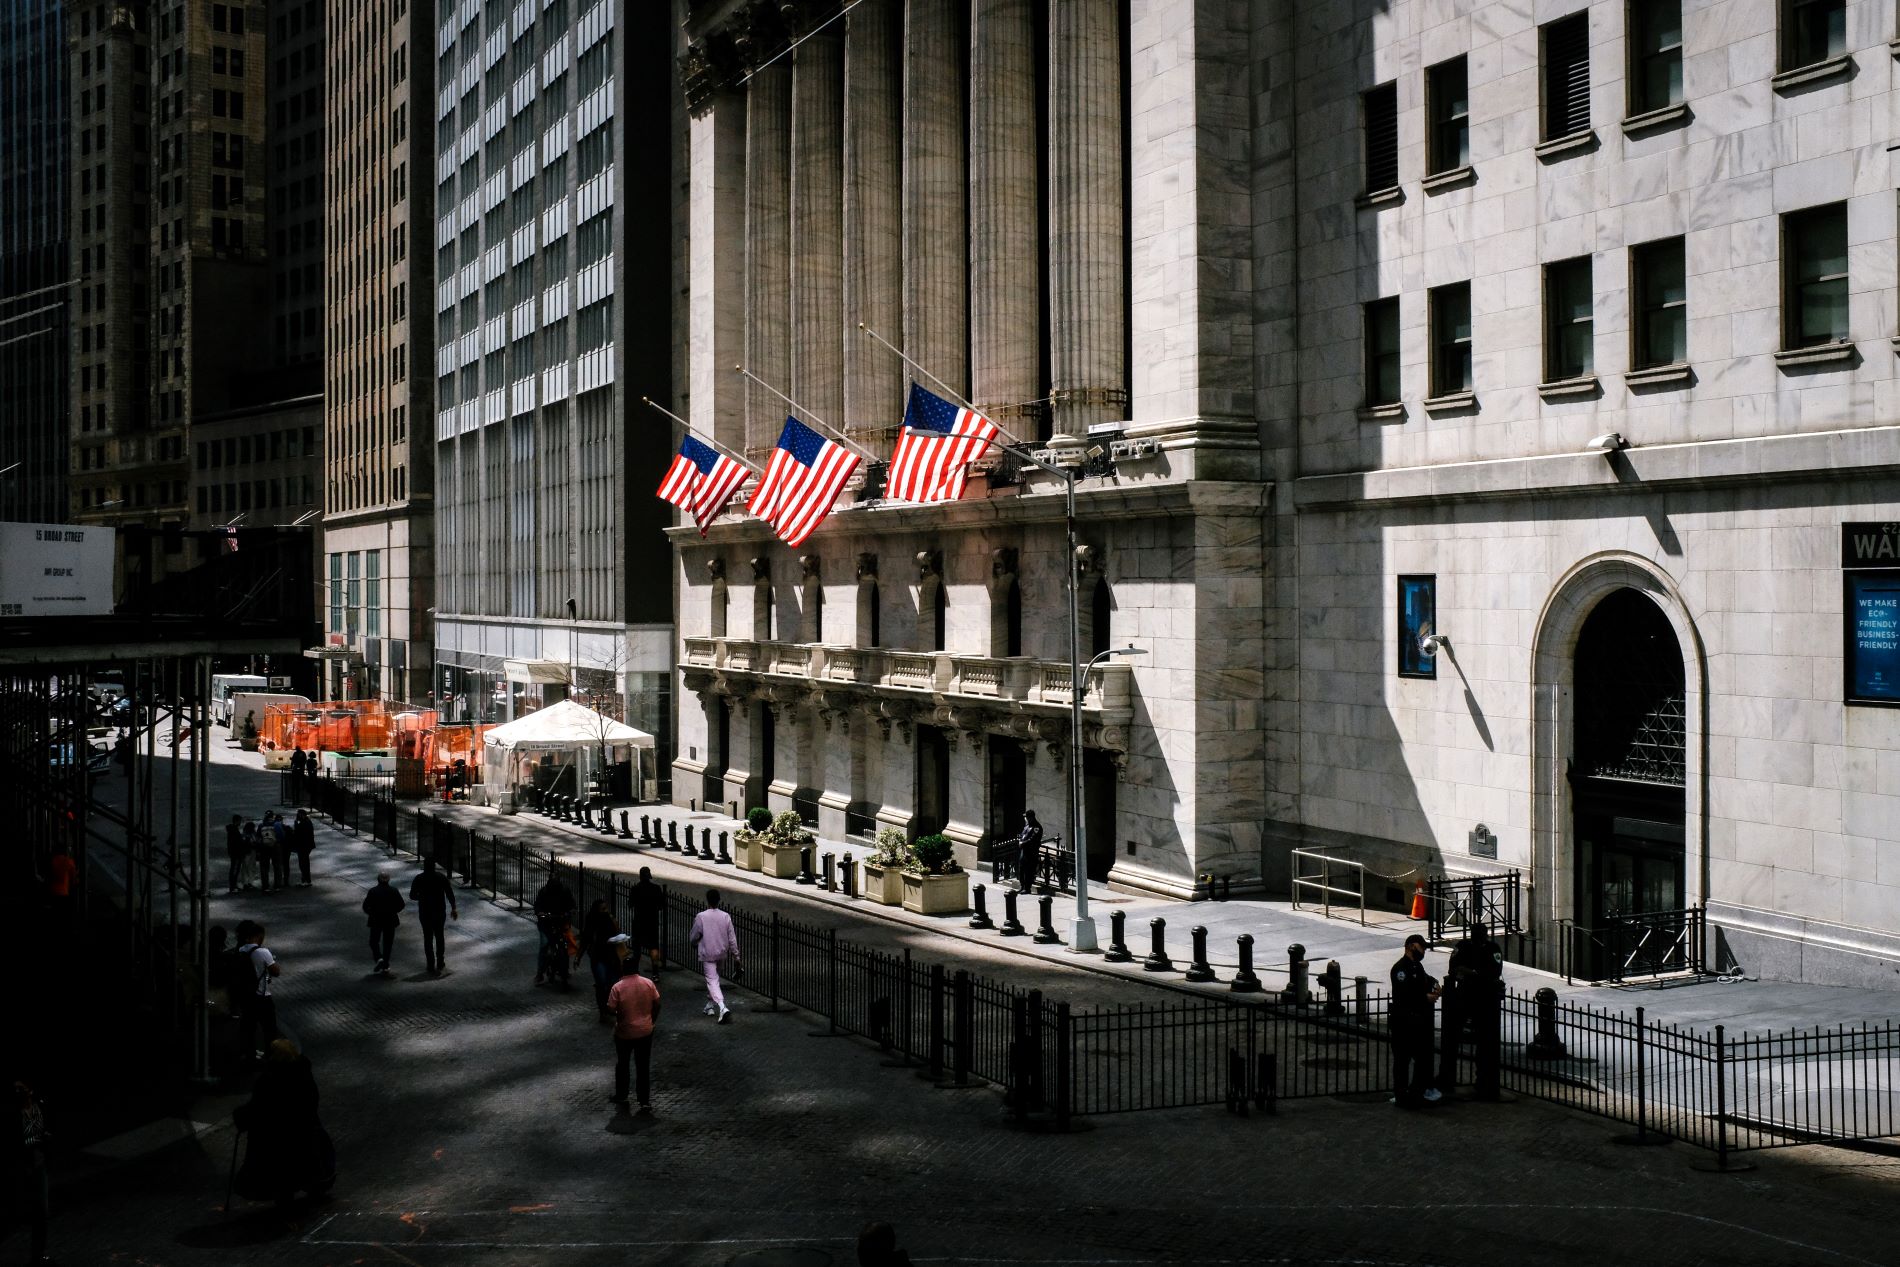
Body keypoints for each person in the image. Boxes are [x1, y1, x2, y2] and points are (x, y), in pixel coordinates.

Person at [231, 1040, 333, 1205]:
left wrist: (241, 1117)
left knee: (280, 1172)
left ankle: (284, 1199)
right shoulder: (303, 1073)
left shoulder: (270, 1080)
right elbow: (312, 1100)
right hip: (303, 1131)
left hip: (277, 1136)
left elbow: (259, 1107)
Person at [1438, 920, 1505, 1101]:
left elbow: (1494, 972)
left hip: (1484, 999)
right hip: (1464, 996)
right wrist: (1476, 974)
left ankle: (1483, 1083)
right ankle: (1447, 1079)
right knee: (1452, 1037)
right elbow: (1454, 969)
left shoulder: (1492, 949)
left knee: (1485, 1042)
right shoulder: (1463, 946)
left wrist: (1472, 973)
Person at [1389, 933, 1442, 1108]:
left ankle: (1416, 1092)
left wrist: (1434, 986)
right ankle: (1401, 1094)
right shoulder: (1400, 969)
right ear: (1411, 946)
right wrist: (1424, 998)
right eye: (1421, 947)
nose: (1423, 951)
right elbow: (1404, 994)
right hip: (1403, 1022)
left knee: (1422, 1059)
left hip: (1418, 1022)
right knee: (1402, 1061)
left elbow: (1425, 980)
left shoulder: (1417, 967)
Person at [606, 943, 660, 1111]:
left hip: (624, 1032)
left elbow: (610, 1008)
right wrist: (651, 1020)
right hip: (645, 1030)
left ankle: (621, 1095)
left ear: (623, 968)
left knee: (623, 1064)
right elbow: (657, 1003)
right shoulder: (648, 983)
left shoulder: (617, 988)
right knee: (642, 1065)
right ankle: (644, 1100)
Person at [12, 1078, 52, 1266]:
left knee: (42, 1213)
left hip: (38, 1165)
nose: (19, 1092)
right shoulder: (16, 1114)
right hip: (24, 1168)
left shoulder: (38, 1107)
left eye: (22, 1088)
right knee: (26, 1212)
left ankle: (38, 1255)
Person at [688, 889, 741, 1024]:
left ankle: (722, 1008)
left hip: (708, 953)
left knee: (712, 980)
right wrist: (736, 957)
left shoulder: (701, 917)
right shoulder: (725, 916)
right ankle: (709, 1005)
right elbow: (732, 939)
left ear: (708, 900)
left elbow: (694, 935)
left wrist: (694, 943)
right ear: (719, 900)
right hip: (722, 953)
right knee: (715, 980)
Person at [234, 922, 282, 1059]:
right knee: (270, 1029)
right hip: (262, 996)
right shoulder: (262, 952)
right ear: (258, 936)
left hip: (247, 997)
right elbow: (276, 972)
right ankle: (271, 1055)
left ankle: (250, 1054)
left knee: (249, 1028)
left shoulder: (240, 951)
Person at [408, 858, 458, 975]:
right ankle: (440, 961)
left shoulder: (419, 878)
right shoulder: (441, 877)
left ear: (424, 866)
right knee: (440, 936)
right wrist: (453, 907)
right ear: (434, 866)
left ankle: (430, 964)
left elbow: (412, 895)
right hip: (439, 911)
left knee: (428, 938)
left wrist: (421, 897)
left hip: (425, 912)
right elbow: (449, 893)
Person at [580, 898, 622, 1022]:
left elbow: (618, 933)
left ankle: (610, 1008)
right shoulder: (592, 921)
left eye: (606, 908)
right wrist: (578, 956)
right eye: (603, 909)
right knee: (602, 984)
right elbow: (586, 938)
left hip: (611, 956)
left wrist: (614, 921)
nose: (606, 911)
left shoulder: (610, 919)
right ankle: (603, 1011)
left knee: (612, 985)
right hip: (599, 957)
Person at [532, 873, 576, 987]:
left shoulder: (565, 891)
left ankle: (564, 969)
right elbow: (537, 905)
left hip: (560, 922)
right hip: (546, 924)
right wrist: (540, 913)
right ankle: (540, 973)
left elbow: (572, 904)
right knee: (545, 945)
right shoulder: (544, 892)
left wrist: (570, 911)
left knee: (564, 945)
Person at [361, 871, 405, 975]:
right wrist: (394, 911)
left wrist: (371, 913)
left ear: (378, 880)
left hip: (376, 920)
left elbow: (365, 906)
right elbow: (401, 904)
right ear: (388, 880)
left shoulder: (373, 891)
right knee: (388, 943)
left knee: (374, 941)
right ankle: (386, 965)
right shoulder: (394, 891)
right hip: (390, 920)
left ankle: (379, 958)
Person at [629, 867, 665, 973]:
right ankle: (655, 972)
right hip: (652, 921)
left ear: (640, 876)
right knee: (653, 947)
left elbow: (630, 904)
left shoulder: (635, 889)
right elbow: (661, 906)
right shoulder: (656, 888)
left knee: (637, 948)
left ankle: (635, 971)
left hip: (639, 921)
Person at [42, 846, 75, 925]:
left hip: (51, 891)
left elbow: (46, 875)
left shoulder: (51, 860)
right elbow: (73, 878)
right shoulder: (68, 861)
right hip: (64, 893)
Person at [1013, 810, 1044, 892]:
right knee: (1021, 869)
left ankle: (1027, 888)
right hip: (1024, 851)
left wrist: (1023, 843)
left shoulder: (1037, 827)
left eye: (1026, 817)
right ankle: (1022, 886)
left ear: (1031, 817)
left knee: (1029, 870)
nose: (1025, 818)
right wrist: (1020, 840)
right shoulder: (1027, 826)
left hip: (1031, 852)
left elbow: (1033, 839)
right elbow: (1022, 834)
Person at [269, 812, 293, 895]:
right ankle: (286, 881)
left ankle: (278, 881)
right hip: (287, 849)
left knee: (278, 866)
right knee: (286, 865)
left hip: (278, 849)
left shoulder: (273, 828)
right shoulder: (287, 828)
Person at [291, 809, 316, 886]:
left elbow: (298, 833)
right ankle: (306, 880)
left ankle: (305, 880)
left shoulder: (303, 823)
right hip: (307, 845)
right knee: (305, 862)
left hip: (303, 845)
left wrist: (296, 825)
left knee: (303, 863)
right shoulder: (308, 822)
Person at [225, 814, 248, 894]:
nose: (240, 823)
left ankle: (234, 885)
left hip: (234, 853)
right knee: (235, 870)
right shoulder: (234, 831)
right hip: (236, 853)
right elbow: (237, 842)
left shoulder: (232, 830)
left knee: (234, 869)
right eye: (240, 821)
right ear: (237, 821)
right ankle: (233, 886)